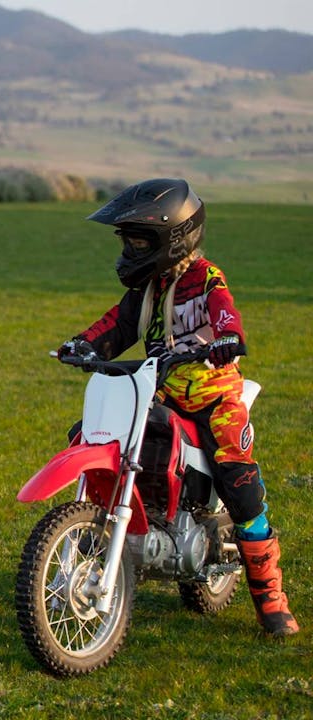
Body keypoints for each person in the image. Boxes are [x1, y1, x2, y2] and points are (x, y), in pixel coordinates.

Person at [56, 177, 298, 637]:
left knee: (240, 483)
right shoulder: (146, 287)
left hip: (213, 395)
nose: (130, 250)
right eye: (127, 241)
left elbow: (226, 313)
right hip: (161, 389)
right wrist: (82, 345)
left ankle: (270, 598)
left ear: (173, 237)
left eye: (139, 240)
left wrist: (227, 339)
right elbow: (117, 325)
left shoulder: (206, 278)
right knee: (100, 433)